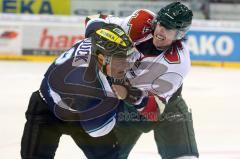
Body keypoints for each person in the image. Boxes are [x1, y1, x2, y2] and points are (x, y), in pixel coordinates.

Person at [85, 2, 199, 159]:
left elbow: (154, 110)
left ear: (179, 34)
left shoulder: (178, 63)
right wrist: (95, 37)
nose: (161, 31)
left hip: (167, 108)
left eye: (169, 28)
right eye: (161, 24)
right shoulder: (140, 22)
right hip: (123, 104)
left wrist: (129, 92)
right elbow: (94, 19)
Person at [20, 23, 136, 159]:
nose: (126, 66)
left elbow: (93, 23)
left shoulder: (97, 38)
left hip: (77, 105)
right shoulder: (87, 82)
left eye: (127, 58)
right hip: (49, 111)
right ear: (100, 57)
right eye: (119, 60)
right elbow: (98, 130)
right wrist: (121, 99)